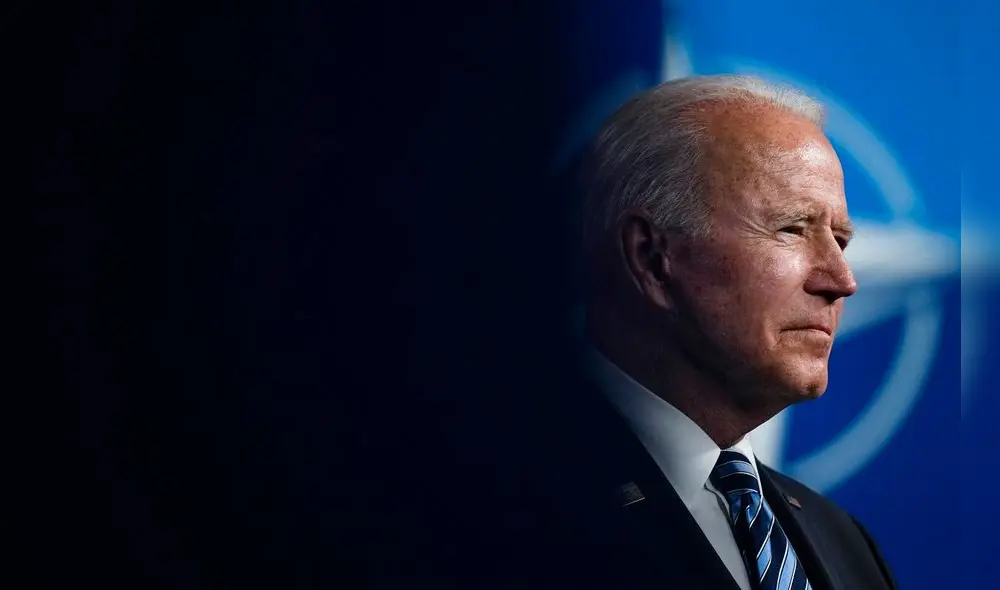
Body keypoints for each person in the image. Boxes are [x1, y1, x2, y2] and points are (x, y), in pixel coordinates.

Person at [524, 75, 898, 590]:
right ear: (653, 260)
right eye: (792, 229)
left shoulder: (843, 542)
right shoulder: (495, 504)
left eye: (840, 240)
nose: (842, 282)